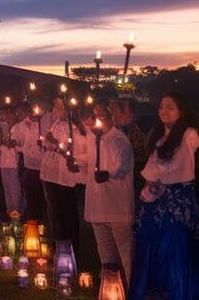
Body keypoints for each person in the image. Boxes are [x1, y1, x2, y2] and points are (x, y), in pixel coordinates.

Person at [130, 91, 199, 300]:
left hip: (177, 199)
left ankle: (177, 292)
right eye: (161, 107)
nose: (164, 111)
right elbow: (152, 169)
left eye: (170, 107)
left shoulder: (188, 134)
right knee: (150, 244)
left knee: (175, 248)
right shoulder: (159, 136)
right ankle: (152, 291)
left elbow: (196, 146)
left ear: (181, 111)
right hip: (154, 199)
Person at [82, 100, 134, 285]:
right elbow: (89, 163)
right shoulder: (94, 138)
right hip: (97, 207)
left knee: (126, 256)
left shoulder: (118, 139)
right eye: (95, 115)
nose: (98, 119)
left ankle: (131, 290)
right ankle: (110, 290)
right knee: (106, 256)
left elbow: (123, 167)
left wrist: (108, 174)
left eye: (102, 115)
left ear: (112, 117)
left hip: (117, 208)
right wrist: (74, 162)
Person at [40, 96, 85, 253]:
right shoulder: (56, 124)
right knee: (54, 210)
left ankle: (71, 245)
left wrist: (54, 142)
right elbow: (48, 143)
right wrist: (46, 142)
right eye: (55, 106)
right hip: (51, 173)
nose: (55, 110)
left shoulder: (74, 128)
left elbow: (70, 151)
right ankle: (57, 243)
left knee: (67, 210)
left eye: (59, 106)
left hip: (64, 175)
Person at [14, 101, 51, 223]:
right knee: (30, 195)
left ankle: (42, 222)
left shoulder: (42, 125)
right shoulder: (22, 126)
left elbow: (46, 142)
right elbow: (19, 144)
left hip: (41, 166)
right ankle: (32, 221)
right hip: (29, 166)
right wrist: (22, 149)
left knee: (41, 197)